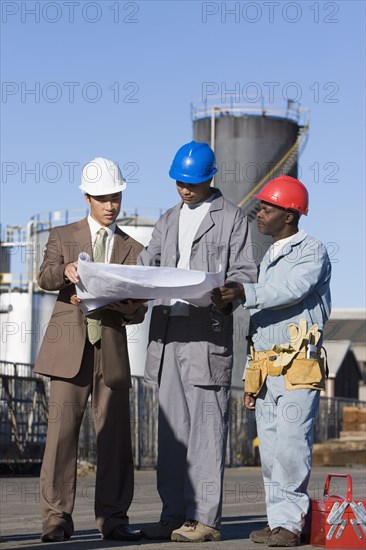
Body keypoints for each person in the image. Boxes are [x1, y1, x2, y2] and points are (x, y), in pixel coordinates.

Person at [138, 141, 257, 542]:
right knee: (172, 430)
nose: (184, 189)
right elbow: (148, 264)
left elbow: (245, 272)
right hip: (169, 331)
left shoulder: (233, 219)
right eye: (178, 182)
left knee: (206, 429)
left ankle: (205, 519)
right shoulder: (168, 219)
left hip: (206, 332)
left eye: (191, 183)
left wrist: (231, 291)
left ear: (209, 178)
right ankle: (173, 515)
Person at [34, 157, 147, 542]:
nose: (110, 204)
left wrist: (117, 301)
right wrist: (66, 269)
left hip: (110, 350)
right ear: (87, 197)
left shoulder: (133, 248)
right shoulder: (62, 235)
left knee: (115, 440)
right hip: (69, 353)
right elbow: (44, 277)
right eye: (102, 198)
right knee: (61, 438)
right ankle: (56, 520)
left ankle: (113, 520)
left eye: (115, 196)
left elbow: (139, 310)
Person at [215, 175, 331, 547]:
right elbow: (260, 322)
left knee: (291, 446)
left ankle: (293, 524)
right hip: (266, 367)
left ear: (290, 215)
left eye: (267, 208)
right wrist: (252, 375)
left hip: (298, 365)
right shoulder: (269, 256)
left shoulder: (312, 251)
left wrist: (244, 290)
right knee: (270, 448)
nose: (260, 214)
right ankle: (277, 518)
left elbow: (291, 290)